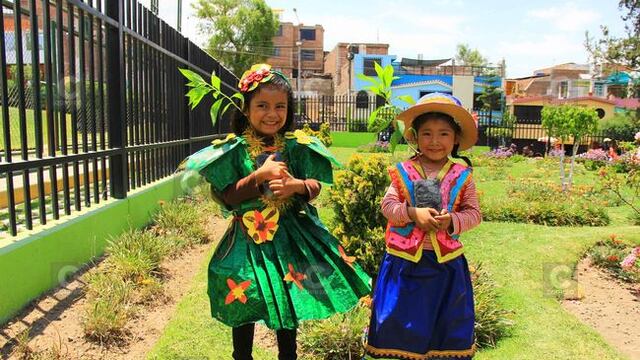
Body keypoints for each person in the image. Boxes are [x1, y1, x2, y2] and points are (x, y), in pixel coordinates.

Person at [182, 64, 370, 360]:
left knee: (288, 300)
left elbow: (314, 186)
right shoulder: (233, 151)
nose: (272, 113)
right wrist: (259, 176)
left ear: (289, 110)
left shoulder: (297, 147)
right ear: (245, 109)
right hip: (247, 244)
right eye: (262, 106)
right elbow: (228, 197)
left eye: (280, 106)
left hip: (289, 241)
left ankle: (288, 356)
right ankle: (241, 355)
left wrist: (296, 185)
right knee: (245, 299)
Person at [364, 93, 482, 359]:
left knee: (443, 329)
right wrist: (412, 213)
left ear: (455, 139)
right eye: (427, 134)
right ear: (415, 137)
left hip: (446, 268)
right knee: (400, 327)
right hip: (404, 265)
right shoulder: (403, 172)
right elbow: (388, 206)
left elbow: (474, 214)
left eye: (443, 134)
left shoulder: (462, 176)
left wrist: (452, 220)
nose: (435, 141)